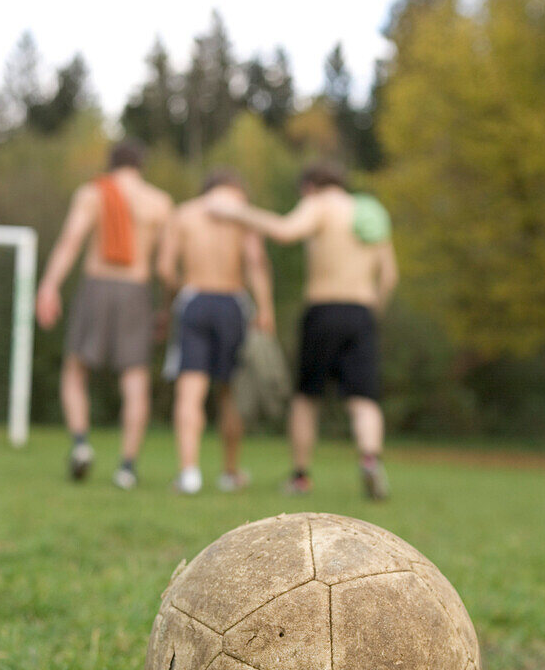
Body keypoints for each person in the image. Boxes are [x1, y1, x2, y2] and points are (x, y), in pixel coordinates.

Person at [210, 162, 398, 499]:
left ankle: (300, 477)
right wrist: (373, 311)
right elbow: (389, 276)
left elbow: (284, 230)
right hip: (362, 312)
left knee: (306, 398)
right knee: (363, 398)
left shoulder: (319, 204)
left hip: (324, 310)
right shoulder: (370, 212)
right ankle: (370, 459)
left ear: (310, 186)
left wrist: (237, 212)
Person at [35, 140, 172, 487]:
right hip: (138, 290)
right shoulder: (159, 202)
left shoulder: (93, 193)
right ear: (140, 165)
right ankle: (127, 467)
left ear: (111, 164)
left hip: (97, 285)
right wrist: (166, 308)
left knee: (75, 369)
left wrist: (49, 285)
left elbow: (71, 240)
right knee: (135, 378)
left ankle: (81, 445)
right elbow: (166, 265)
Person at [157, 169, 275, 495]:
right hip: (233, 304)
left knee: (189, 390)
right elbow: (256, 261)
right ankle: (229, 472)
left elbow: (166, 270)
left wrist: (179, 297)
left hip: (194, 300)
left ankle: (189, 474)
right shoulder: (242, 216)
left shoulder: (184, 213)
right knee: (229, 392)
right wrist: (266, 309)